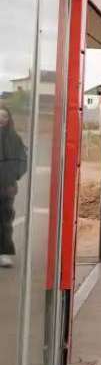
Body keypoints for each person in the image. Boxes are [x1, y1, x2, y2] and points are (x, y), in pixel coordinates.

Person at [0, 107, 28, 269]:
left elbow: (22, 161)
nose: (1, 119)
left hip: (6, 187)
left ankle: (3, 253)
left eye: (4, 116)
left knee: (5, 219)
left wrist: (13, 177)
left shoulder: (14, 138)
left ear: (9, 119)